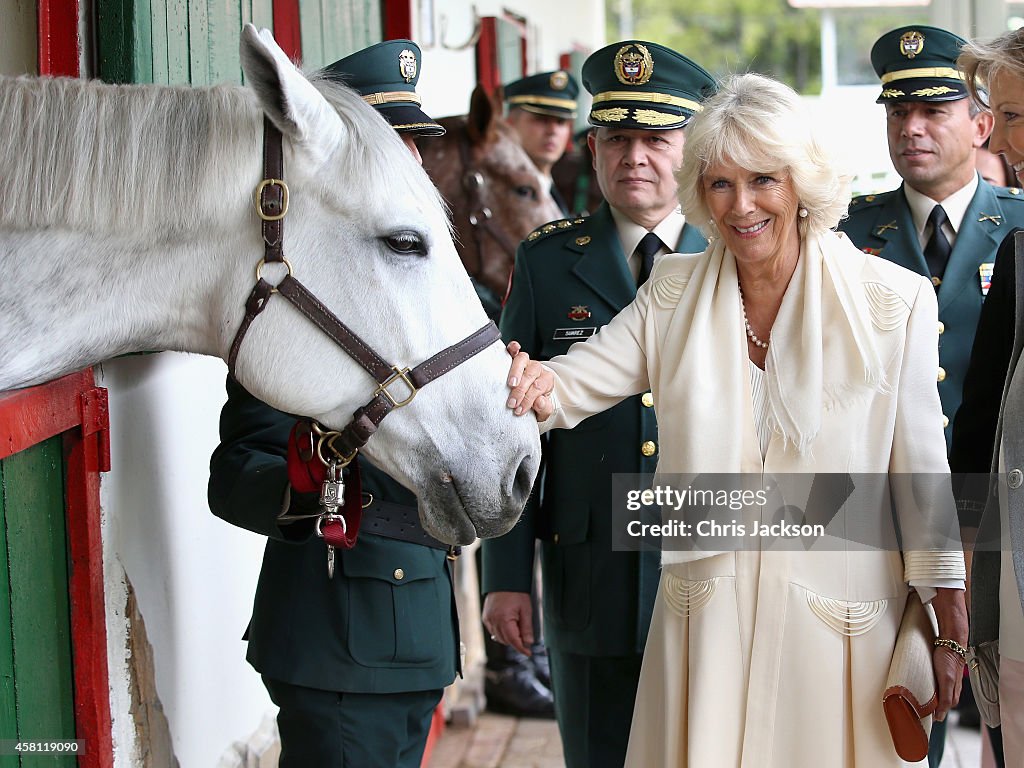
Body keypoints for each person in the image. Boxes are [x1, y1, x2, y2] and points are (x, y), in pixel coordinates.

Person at [502, 73, 969, 767]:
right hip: (706, 630)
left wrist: (949, 616)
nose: (741, 205)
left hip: (840, 630)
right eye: (719, 184)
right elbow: (568, 389)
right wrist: (528, 380)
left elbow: (921, 471)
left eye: (762, 181)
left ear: (801, 182)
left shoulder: (892, 302)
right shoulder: (672, 292)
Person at [208, 41, 459, 768]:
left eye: (413, 142)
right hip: (333, 635)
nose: (409, 160)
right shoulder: (299, 318)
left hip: (420, 634)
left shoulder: (429, 289)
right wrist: (305, 486)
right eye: (391, 142)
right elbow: (234, 473)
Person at [481, 40, 714, 768]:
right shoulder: (549, 260)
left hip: (709, 567)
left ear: (693, 146)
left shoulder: (735, 252)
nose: (634, 157)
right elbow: (512, 429)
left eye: (656, 138)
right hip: (590, 573)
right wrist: (507, 578)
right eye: (617, 138)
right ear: (593, 146)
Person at [839, 25, 1024, 455]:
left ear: (981, 127)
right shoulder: (842, 232)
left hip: (995, 476)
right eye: (898, 113)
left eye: (933, 111)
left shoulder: (1019, 222)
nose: (911, 129)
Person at [951, 28, 1024, 768]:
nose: (998, 136)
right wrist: (962, 561)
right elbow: (977, 426)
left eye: (1014, 114)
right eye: (995, 115)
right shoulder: (1020, 254)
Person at [504, 71, 579, 215]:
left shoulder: (552, 189)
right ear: (510, 124)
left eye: (561, 122)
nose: (553, 131)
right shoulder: (500, 191)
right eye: (541, 119)